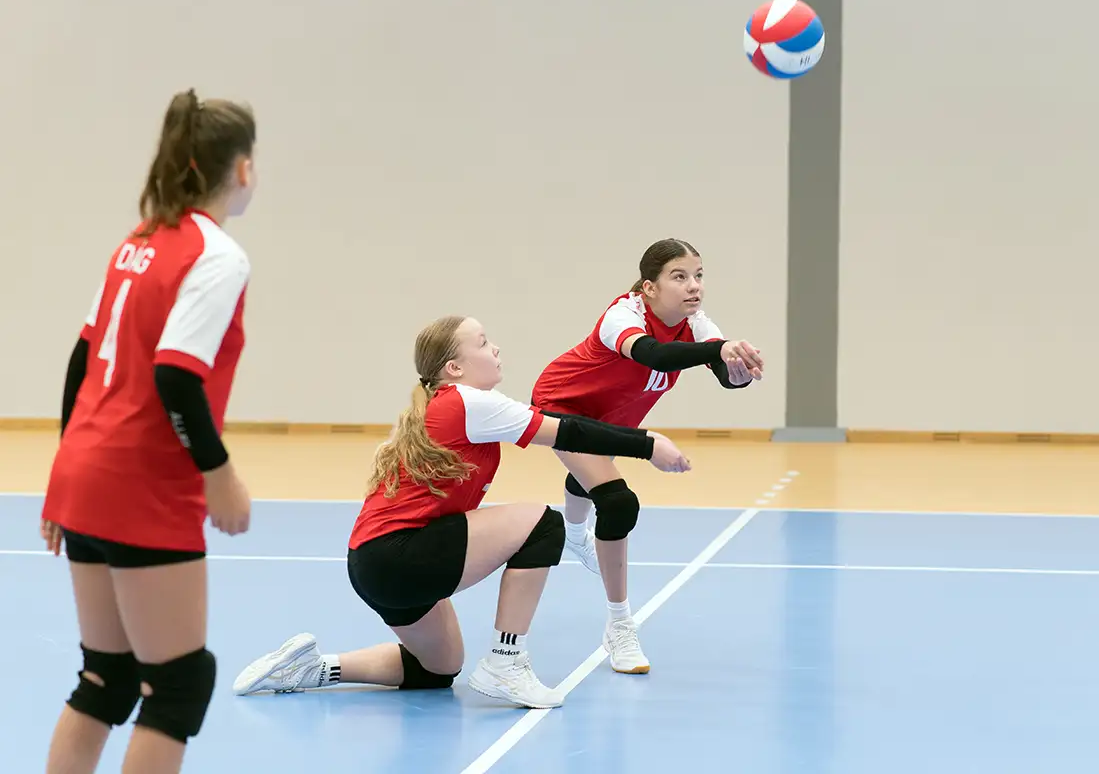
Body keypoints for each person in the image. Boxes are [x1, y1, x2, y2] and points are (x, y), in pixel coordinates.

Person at [230, 315, 691, 709]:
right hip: (399, 554)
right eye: (483, 343)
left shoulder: (448, 405)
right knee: (544, 524)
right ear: (454, 367)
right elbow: (568, 431)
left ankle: (313, 668)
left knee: (437, 669)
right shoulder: (470, 402)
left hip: (372, 565)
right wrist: (648, 444)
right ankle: (507, 662)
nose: (496, 349)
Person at [39, 89, 258, 774]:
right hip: (143, 483)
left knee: (106, 678)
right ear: (242, 169)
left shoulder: (134, 244)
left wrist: (64, 474)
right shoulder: (217, 255)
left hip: (86, 471)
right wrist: (220, 476)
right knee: (178, 685)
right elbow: (176, 377)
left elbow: (81, 359)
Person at [529, 238, 764, 674]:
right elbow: (654, 355)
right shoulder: (623, 315)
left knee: (591, 471)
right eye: (679, 276)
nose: (694, 286)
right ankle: (620, 625)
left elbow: (725, 375)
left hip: (613, 415)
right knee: (617, 501)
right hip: (560, 405)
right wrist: (720, 349)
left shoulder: (697, 324)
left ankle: (574, 532)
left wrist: (738, 371)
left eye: (698, 275)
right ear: (649, 287)